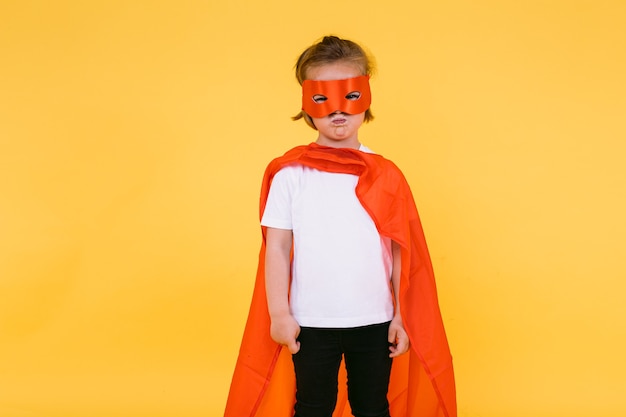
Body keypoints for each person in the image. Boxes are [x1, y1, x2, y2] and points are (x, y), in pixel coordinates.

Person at [225, 36, 456, 417]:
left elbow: (402, 250)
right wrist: (280, 314)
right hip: (310, 320)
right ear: (306, 104)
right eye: (322, 98)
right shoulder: (290, 174)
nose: (337, 111)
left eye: (350, 96)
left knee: (371, 406)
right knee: (313, 406)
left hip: (375, 318)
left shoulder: (386, 175)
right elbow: (277, 248)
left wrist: (401, 316)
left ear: (365, 99)